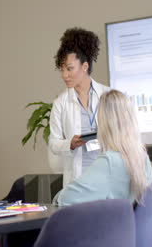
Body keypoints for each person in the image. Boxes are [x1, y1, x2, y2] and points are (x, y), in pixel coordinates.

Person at [56, 90, 152, 206]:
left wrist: (57, 197)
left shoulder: (109, 162)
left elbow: (66, 198)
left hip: (108, 223)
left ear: (104, 123)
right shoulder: (143, 158)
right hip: (128, 223)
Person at [48, 27, 111, 186]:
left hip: (107, 177)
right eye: (62, 69)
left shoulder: (108, 95)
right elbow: (53, 143)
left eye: (69, 69)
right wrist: (70, 143)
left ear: (84, 66)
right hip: (78, 182)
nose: (64, 75)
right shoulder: (60, 103)